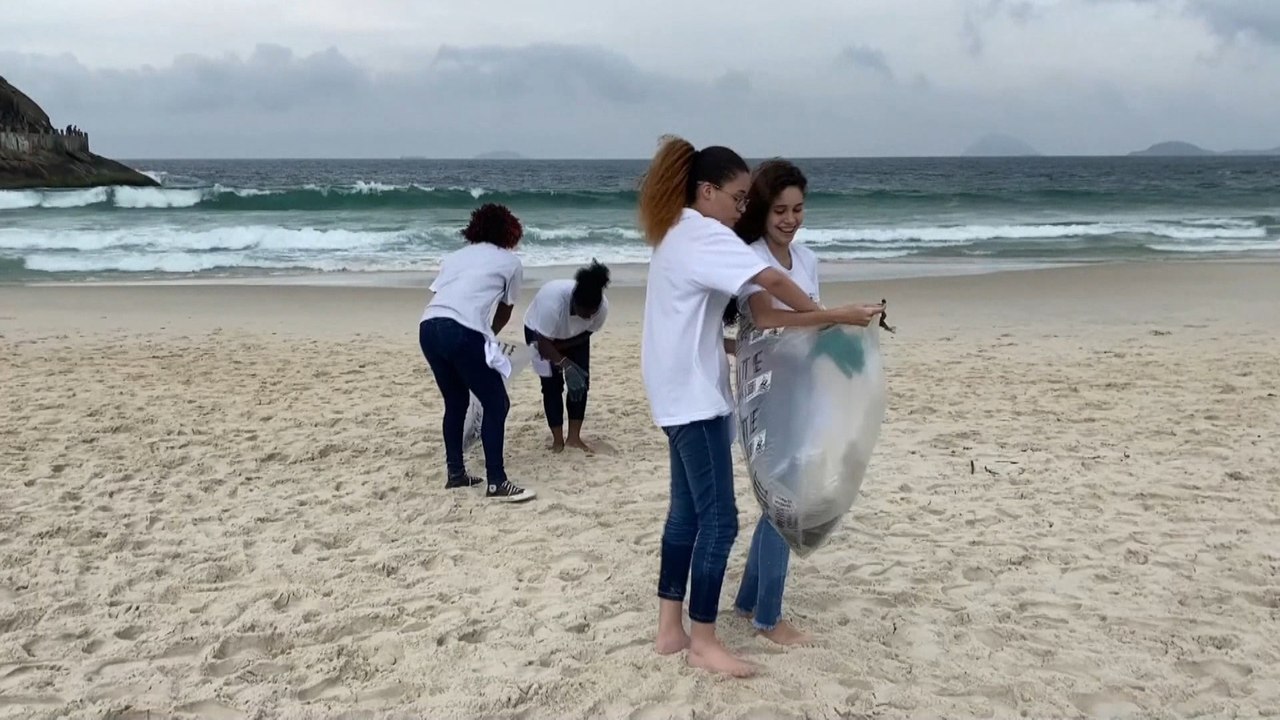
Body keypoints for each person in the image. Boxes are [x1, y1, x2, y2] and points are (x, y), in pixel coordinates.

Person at [637, 134, 884, 677]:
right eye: (739, 197)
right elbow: (770, 284)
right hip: (694, 397)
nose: (742, 209)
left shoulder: (677, 232)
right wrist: (833, 313)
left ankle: (670, 629)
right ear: (707, 193)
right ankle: (704, 640)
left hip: (675, 390)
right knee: (720, 521)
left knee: (685, 514)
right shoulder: (703, 233)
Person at [728, 158, 884, 646]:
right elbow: (766, 316)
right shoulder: (751, 257)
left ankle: (749, 600)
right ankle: (768, 620)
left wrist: (847, 353)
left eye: (798, 209)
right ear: (762, 210)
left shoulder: (808, 259)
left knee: (780, 493)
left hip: (803, 389)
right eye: (780, 210)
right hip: (765, 395)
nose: (790, 219)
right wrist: (837, 314)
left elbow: (813, 324)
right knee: (783, 499)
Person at [418, 203, 536, 503]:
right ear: (510, 231)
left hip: (428, 327)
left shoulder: (454, 257)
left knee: (455, 401)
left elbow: (444, 296)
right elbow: (504, 312)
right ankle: (497, 481)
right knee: (497, 403)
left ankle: (456, 473)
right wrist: (486, 337)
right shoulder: (510, 263)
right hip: (462, 330)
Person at [522, 260, 611, 453]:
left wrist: (567, 356)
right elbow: (543, 342)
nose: (588, 318)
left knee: (580, 383)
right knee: (551, 385)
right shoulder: (552, 303)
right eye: (584, 313)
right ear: (574, 303)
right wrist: (563, 363)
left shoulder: (602, 308)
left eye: (592, 313)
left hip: (574, 338)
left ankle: (574, 438)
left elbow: (588, 332)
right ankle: (557, 441)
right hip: (538, 333)